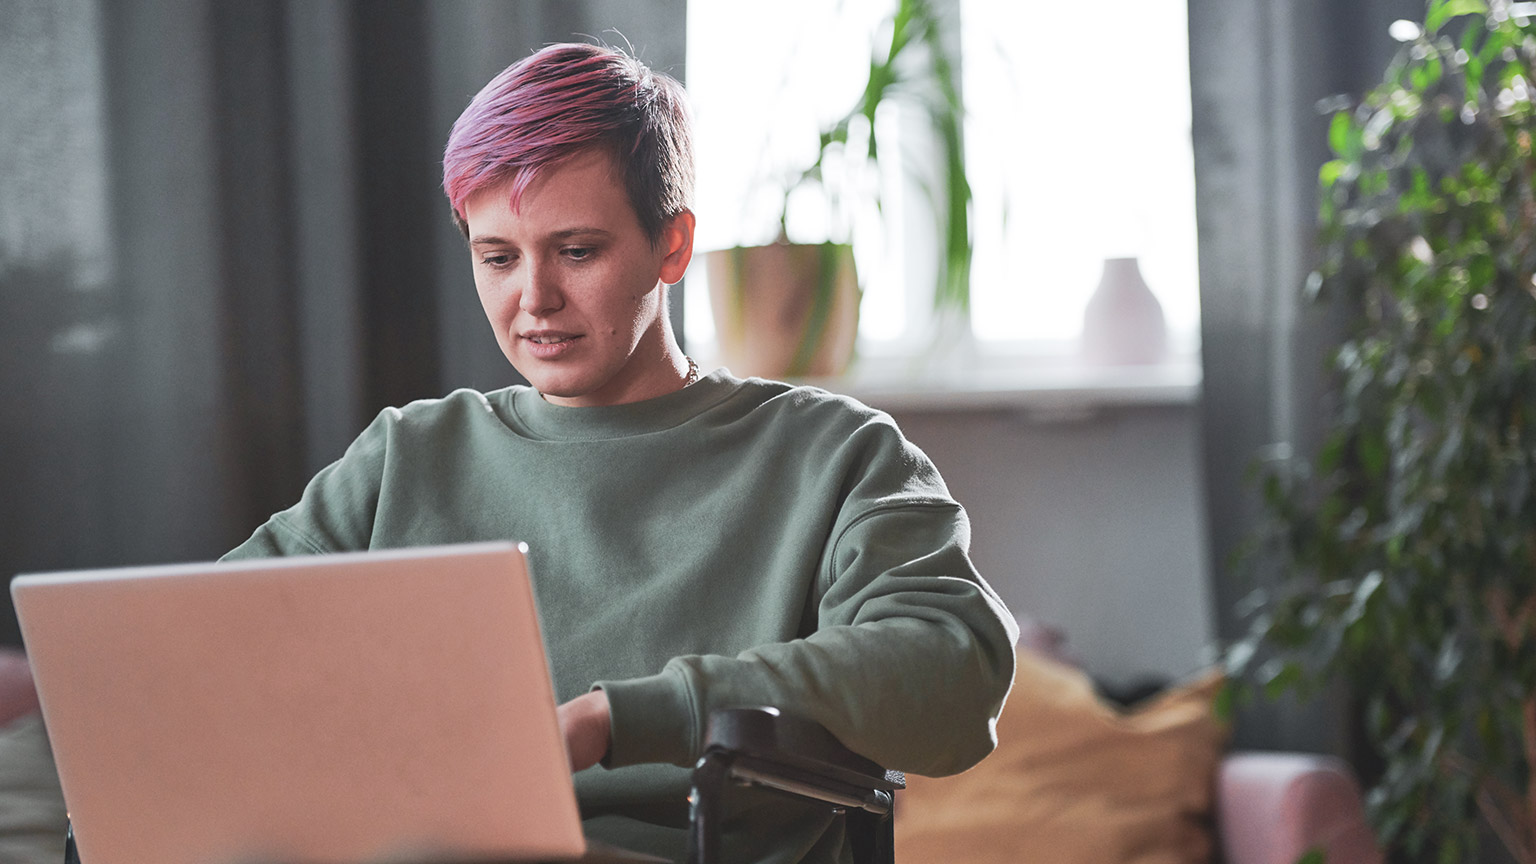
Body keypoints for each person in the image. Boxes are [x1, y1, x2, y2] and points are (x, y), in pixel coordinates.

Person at [224, 41, 1017, 863]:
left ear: (672, 247)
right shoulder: (409, 454)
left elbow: (953, 667)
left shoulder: (832, 454)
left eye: (577, 251)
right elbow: (195, 649)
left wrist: (625, 717)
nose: (533, 300)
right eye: (497, 258)